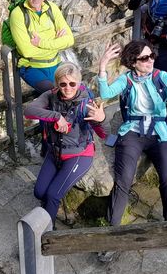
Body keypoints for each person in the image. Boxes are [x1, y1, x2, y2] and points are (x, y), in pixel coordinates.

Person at [96, 39, 167, 262]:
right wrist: (102, 67)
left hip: (159, 131)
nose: (150, 61)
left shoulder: (161, 77)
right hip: (132, 131)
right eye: (144, 58)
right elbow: (105, 92)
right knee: (124, 180)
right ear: (133, 62)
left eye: (151, 56)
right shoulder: (126, 80)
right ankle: (110, 234)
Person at [23, 62, 107, 226]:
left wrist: (101, 120)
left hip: (78, 155)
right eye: (63, 84)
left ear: (79, 83)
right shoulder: (50, 96)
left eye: (72, 83)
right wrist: (56, 116)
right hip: (55, 152)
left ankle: (47, 233)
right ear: (57, 84)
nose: (68, 88)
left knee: (53, 195)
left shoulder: (86, 104)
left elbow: (105, 134)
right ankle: (49, 210)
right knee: (40, 192)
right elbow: (29, 111)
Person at [10, 0, 74, 93]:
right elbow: (27, 51)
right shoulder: (18, 14)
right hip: (32, 67)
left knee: (76, 88)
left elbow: (70, 39)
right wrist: (57, 43)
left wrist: (41, 43)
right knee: (52, 92)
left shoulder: (52, 8)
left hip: (55, 63)